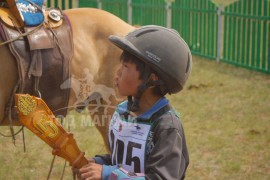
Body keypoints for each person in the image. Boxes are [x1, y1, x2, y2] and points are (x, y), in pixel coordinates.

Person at [74, 25, 192, 180]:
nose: (117, 73)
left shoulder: (166, 127)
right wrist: (97, 163)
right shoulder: (122, 112)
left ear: (153, 77)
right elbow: (123, 162)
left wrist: (108, 174)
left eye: (125, 66)